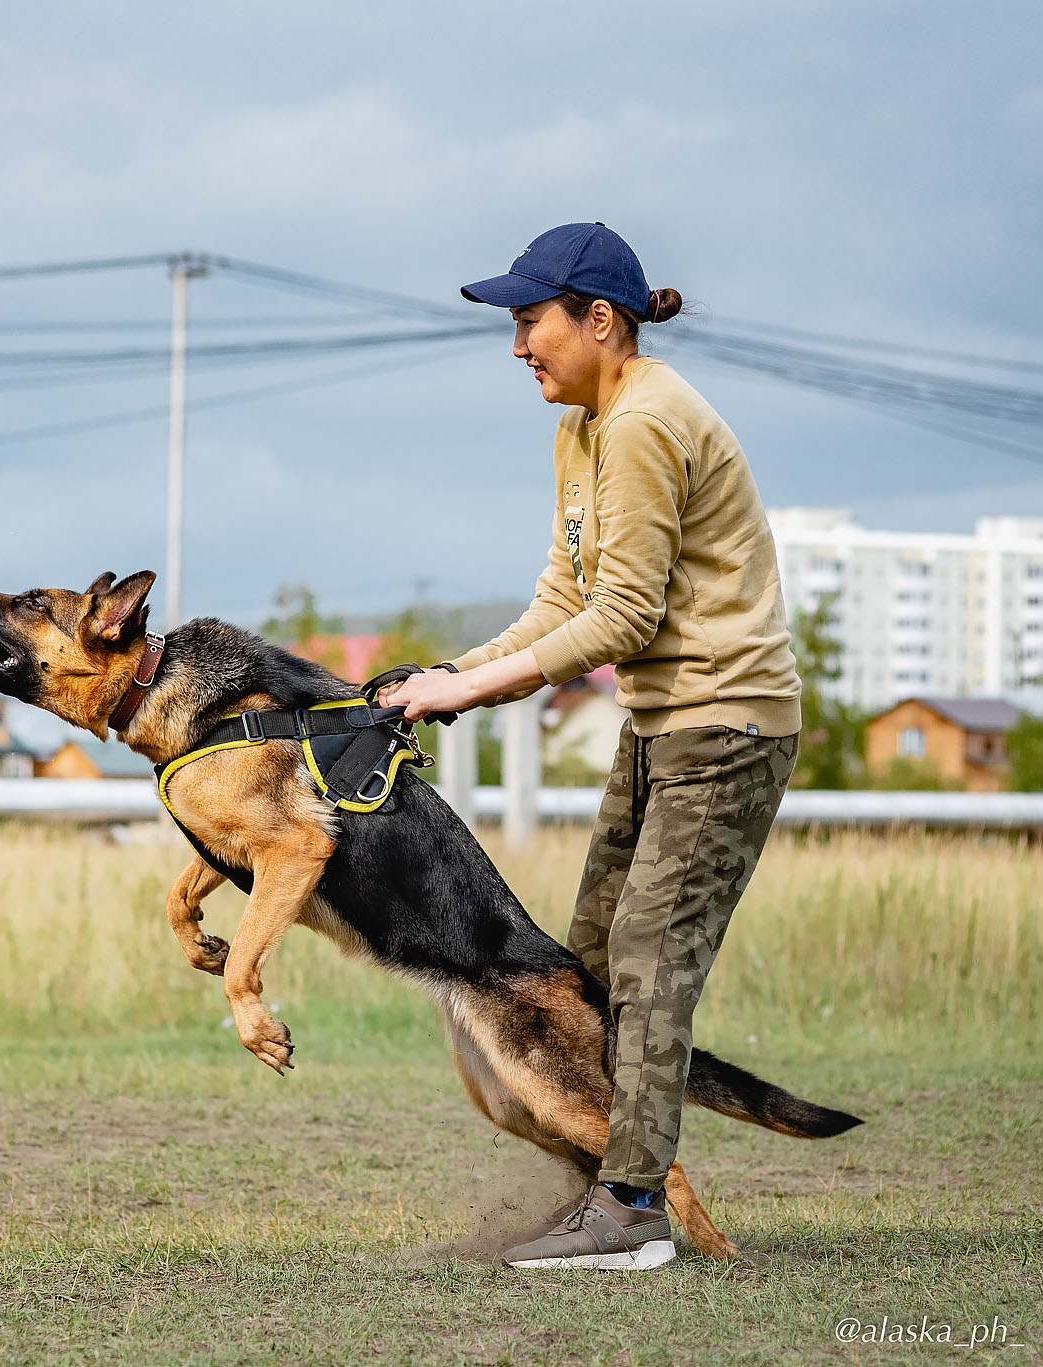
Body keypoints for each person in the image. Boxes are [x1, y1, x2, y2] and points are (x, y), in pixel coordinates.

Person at [383, 223, 800, 1270]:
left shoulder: (647, 420)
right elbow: (562, 594)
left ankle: (626, 1212)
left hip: (725, 724)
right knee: (590, 964)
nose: (517, 344)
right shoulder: (583, 424)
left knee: (653, 963)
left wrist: (469, 686)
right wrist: (448, 680)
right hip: (660, 721)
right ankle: (606, 1190)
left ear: (597, 320)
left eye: (530, 320)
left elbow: (618, 618)